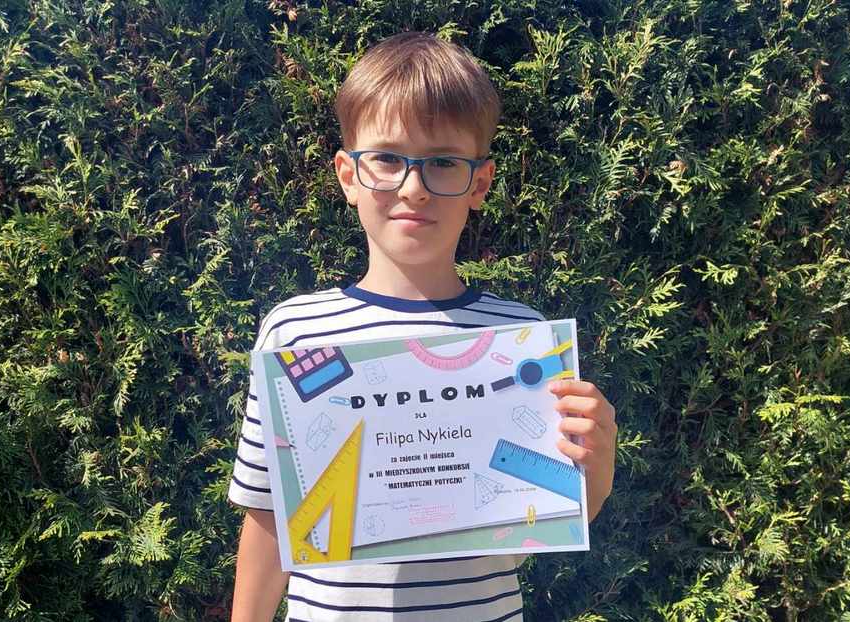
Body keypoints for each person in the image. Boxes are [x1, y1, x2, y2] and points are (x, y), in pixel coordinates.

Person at [228, 31, 617, 622]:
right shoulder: (297, 336)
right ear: (348, 176)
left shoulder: (520, 342)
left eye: (442, 162)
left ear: (479, 183)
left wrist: (597, 464)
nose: (413, 187)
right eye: (387, 159)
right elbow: (267, 518)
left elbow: (548, 514)